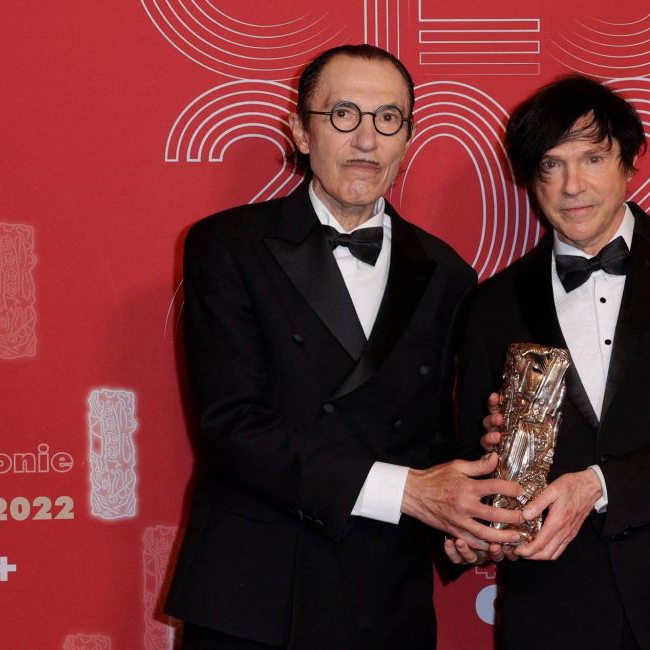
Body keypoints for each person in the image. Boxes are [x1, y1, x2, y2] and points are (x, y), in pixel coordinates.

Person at [164, 44, 523, 650]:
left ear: (407, 139)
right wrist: (408, 492)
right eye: (344, 115)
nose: (366, 140)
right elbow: (232, 425)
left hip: (385, 596)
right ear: (301, 131)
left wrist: (461, 521)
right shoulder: (228, 247)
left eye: (388, 119)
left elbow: (431, 435)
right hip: (257, 589)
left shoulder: (446, 272)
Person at [448, 75, 650, 649]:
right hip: (555, 607)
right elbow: (473, 456)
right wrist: (472, 530)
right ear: (531, 179)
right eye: (551, 165)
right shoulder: (491, 305)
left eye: (593, 157)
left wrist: (598, 486)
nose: (572, 185)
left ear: (630, 161)